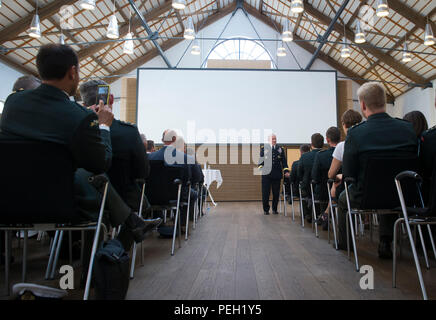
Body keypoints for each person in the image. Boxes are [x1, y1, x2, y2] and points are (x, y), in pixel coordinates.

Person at [0, 44, 153, 252]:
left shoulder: (12, 104)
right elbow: (101, 163)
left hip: (11, 202)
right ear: (73, 72)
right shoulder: (79, 117)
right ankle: (121, 235)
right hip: (61, 206)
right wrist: (103, 127)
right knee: (90, 175)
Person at [337, 82, 417, 258]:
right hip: (402, 196)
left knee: (343, 199)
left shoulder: (356, 134)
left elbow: (349, 173)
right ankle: (385, 242)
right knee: (390, 186)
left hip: (366, 195)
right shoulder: (407, 129)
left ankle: (345, 244)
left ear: (363, 105)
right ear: (384, 101)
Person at [328, 109, 363, 199]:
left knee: (341, 200)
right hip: (371, 187)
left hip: (353, 190)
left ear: (343, 124)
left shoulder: (342, 146)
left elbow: (331, 175)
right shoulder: (367, 141)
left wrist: (340, 177)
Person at [311, 127, 341, 227]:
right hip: (342, 190)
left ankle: (325, 218)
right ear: (340, 138)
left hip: (324, 192)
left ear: (327, 140)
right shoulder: (346, 152)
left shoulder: (321, 155)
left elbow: (315, 176)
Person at [258, 134, 289, 215]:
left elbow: (284, 162)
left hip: (277, 175)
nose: (274, 140)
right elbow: (260, 162)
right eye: (272, 139)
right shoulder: (264, 148)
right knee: (265, 193)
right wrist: (261, 168)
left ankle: (274, 209)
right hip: (266, 175)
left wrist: (286, 171)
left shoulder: (280, 149)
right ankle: (266, 210)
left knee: (276, 193)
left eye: (275, 139)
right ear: (268, 140)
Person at [297, 133, 324, 222]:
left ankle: (308, 214)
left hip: (308, 188)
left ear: (311, 144)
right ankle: (322, 214)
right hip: (326, 189)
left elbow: (299, 173)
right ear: (323, 143)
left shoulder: (304, 156)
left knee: (304, 189)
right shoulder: (329, 155)